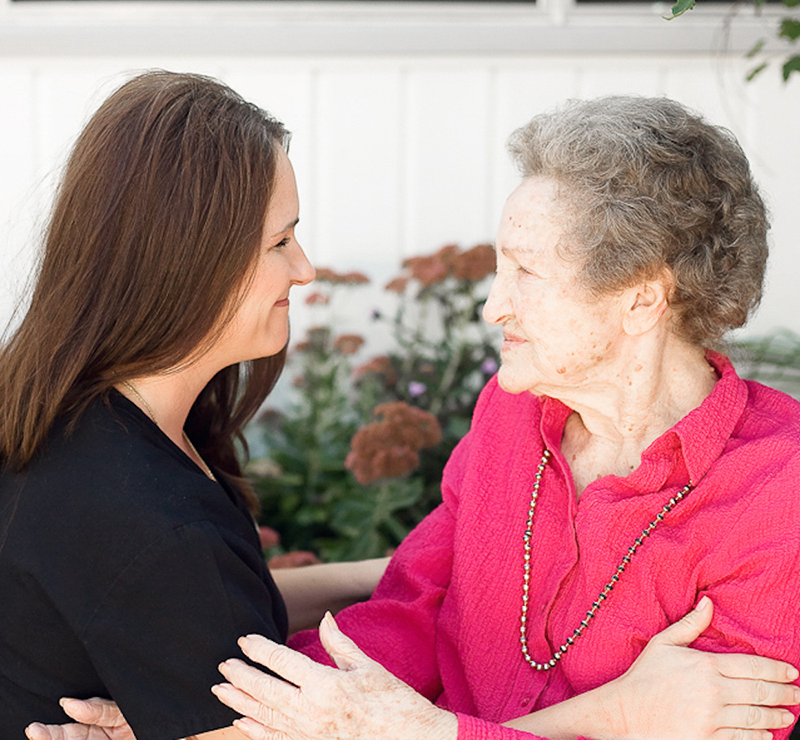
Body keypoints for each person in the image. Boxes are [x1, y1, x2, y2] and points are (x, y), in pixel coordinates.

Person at [29, 95, 800, 740]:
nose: (494, 305)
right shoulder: (512, 416)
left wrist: (423, 735)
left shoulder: (774, 496)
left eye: (526, 274)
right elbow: (410, 612)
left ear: (641, 297)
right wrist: (234, 715)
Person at [0, 69, 389, 740]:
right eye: (280, 242)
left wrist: (391, 577)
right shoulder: (149, 524)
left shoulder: (83, 412)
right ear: (189, 259)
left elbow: (216, 606)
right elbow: (182, 586)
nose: (306, 268)